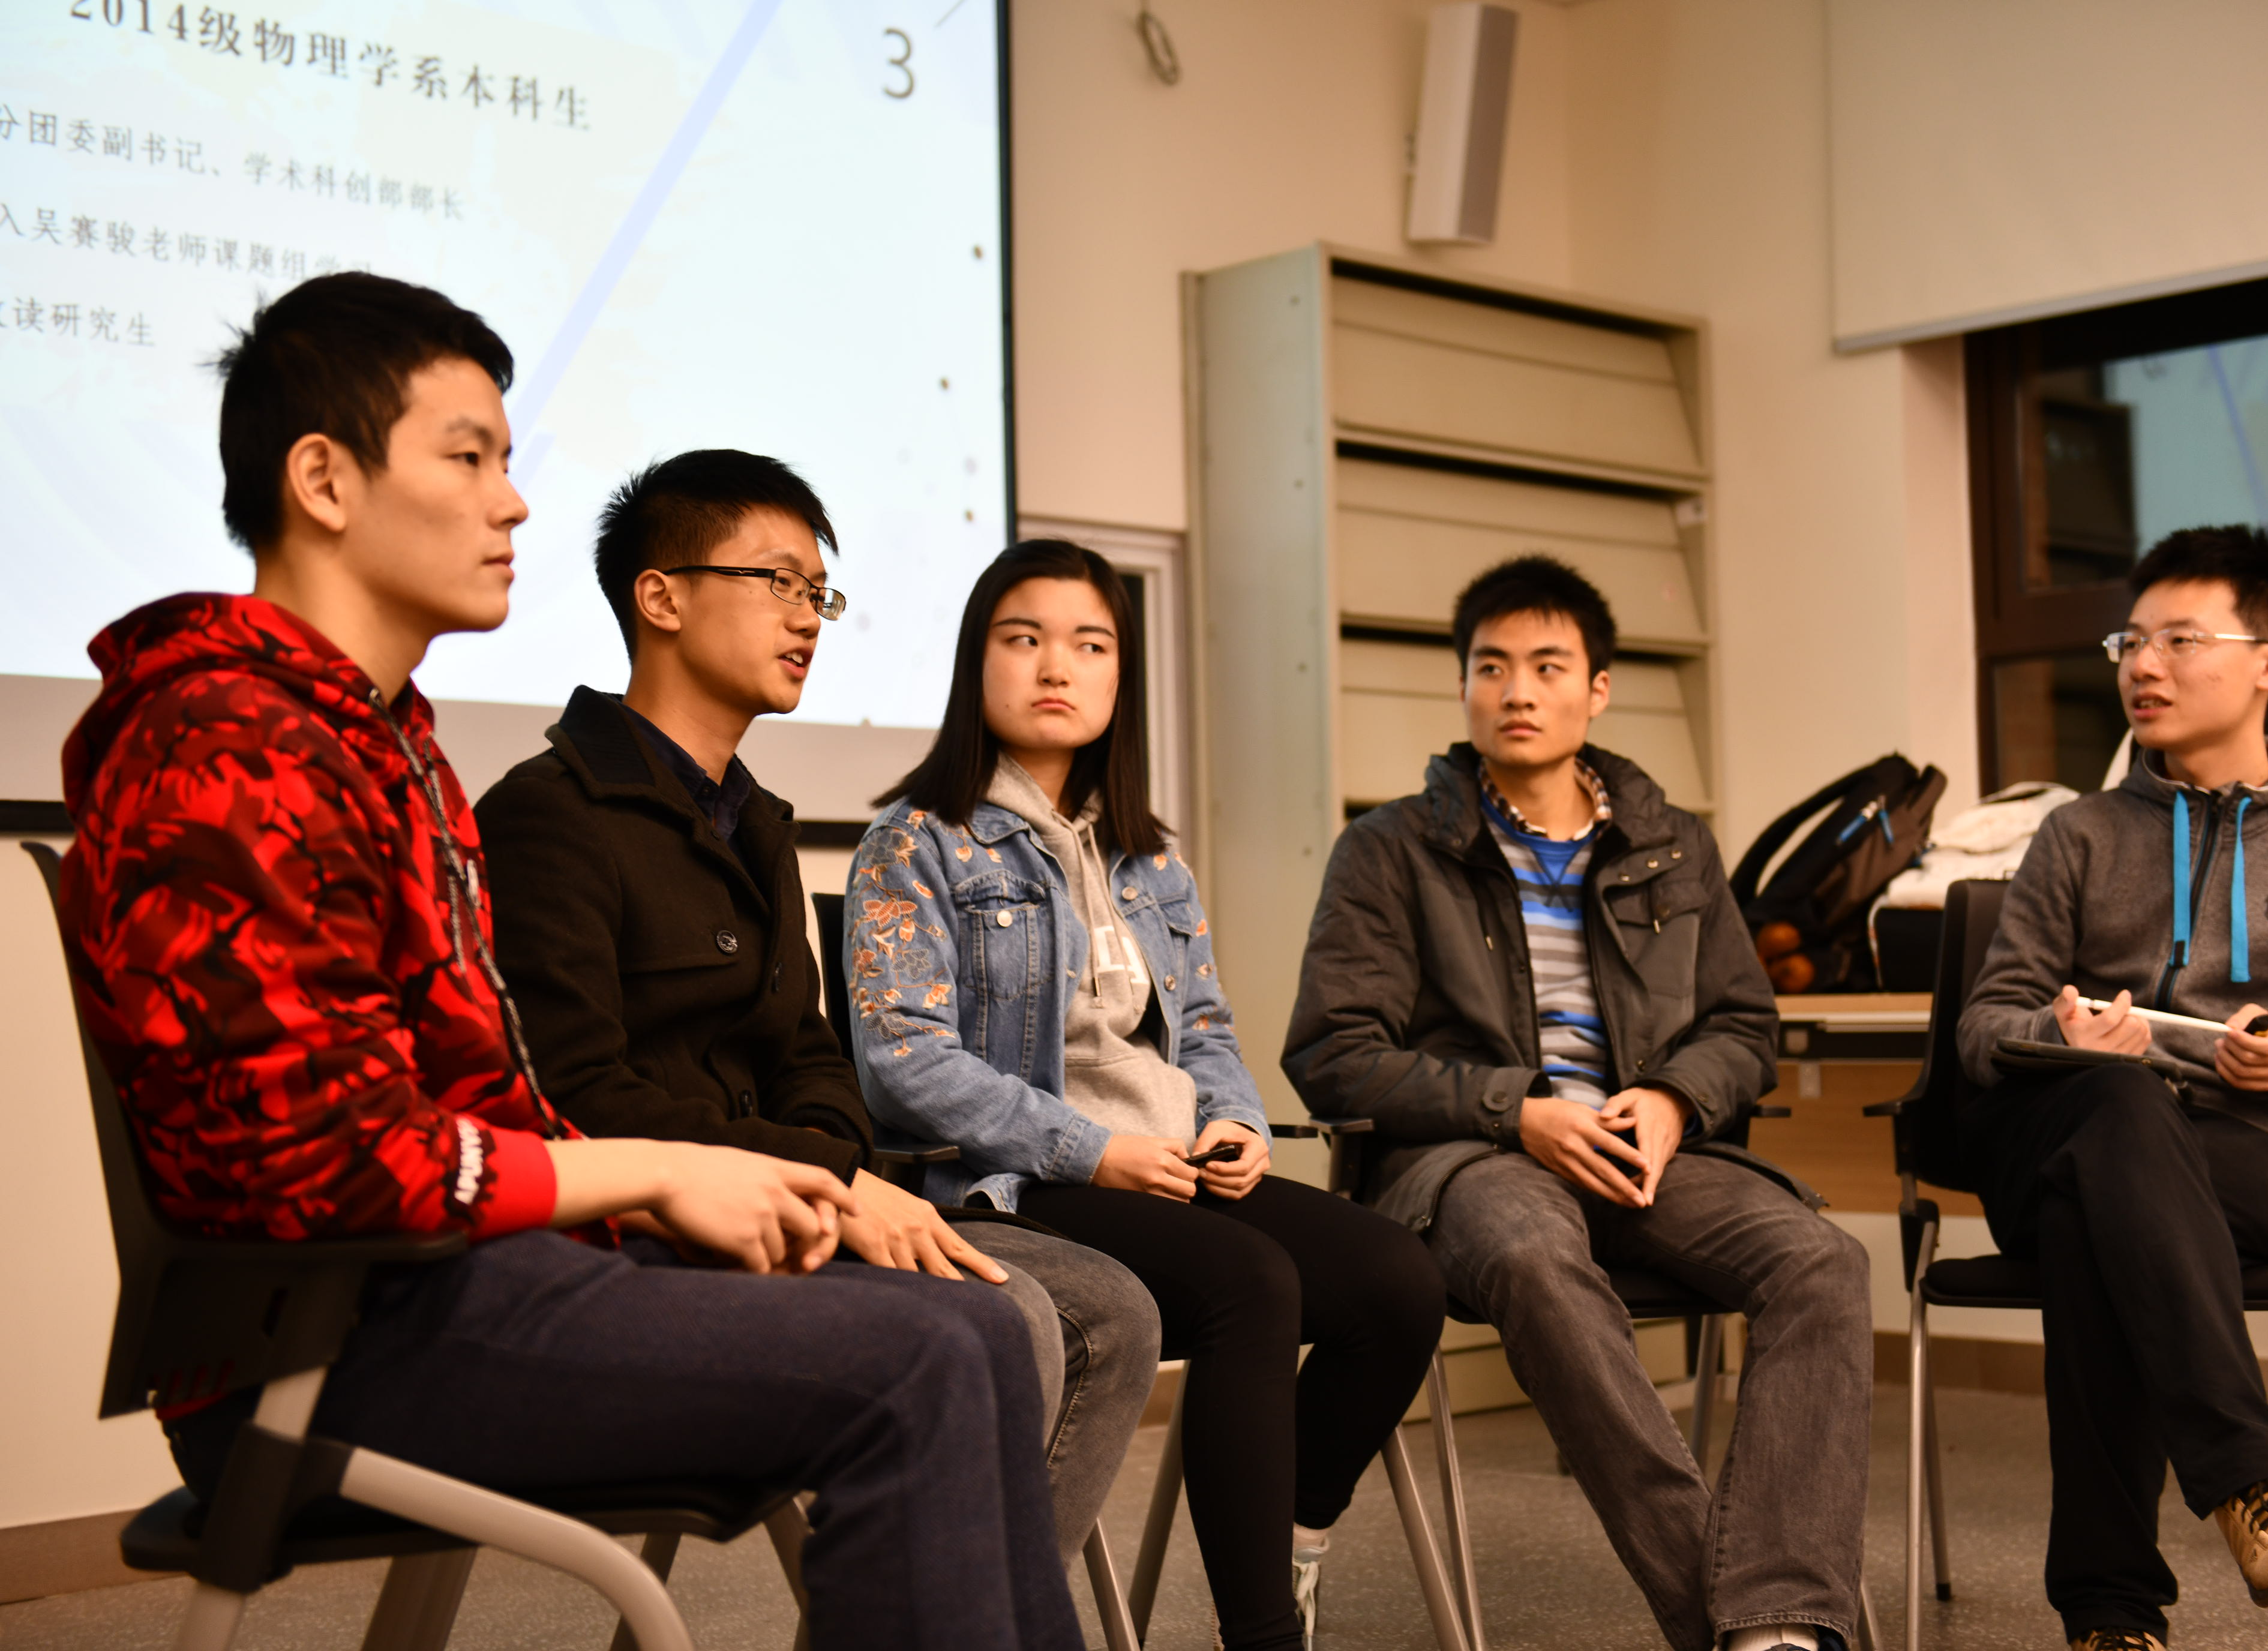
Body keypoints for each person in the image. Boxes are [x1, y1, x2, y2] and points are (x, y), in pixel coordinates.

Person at [56, 272, 1079, 1651]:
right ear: (324, 479)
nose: (515, 502)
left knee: (978, 1331)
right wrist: (656, 1172)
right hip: (335, 1336)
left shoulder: (377, 739)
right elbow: (327, 1158)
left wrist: (708, 1185)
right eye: (469, 457)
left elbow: (484, 1105)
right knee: (924, 1358)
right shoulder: (226, 741)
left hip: (460, 1280)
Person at [473, 448, 1159, 1562]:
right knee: (1010, 1317)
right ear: (661, 598)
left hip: (801, 1194)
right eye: (778, 582)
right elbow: (578, 1093)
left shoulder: (756, 820)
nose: (808, 618)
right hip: (664, 1223)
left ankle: (982, 1622)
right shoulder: (549, 815)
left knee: (1113, 1312)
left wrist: (837, 1174)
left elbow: (811, 1055)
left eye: (819, 594)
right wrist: (827, 1185)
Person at [844, 539, 1445, 1651]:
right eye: (1024, 639)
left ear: (1121, 674)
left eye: (1090, 644)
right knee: (1250, 1284)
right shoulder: (913, 842)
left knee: (1399, 1278)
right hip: (1019, 1181)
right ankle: (1263, 1636)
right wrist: (1091, 1150)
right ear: (977, 661)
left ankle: (1295, 1536)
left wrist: (1236, 1123)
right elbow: (905, 1062)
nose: (1056, 667)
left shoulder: (1149, 861)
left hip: (1168, 1166)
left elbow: (1204, 1028)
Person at [1283, 555, 1872, 1651]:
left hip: (1646, 1149)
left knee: (1825, 1263)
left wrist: (1674, 1097)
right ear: (1465, 685)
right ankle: (1741, 1628)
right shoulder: (1390, 850)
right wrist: (1519, 1109)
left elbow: (1744, 1026)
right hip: (1471, 1160)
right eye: (1491, 667)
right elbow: (1333, 1054)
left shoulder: (1674, 845)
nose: (1517, 691)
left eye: (1548, 666)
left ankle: (1779, 1617)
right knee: (1533, 1253)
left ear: (1597, 688)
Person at [1957, 524, 2268, 1651]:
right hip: (2062, 1128)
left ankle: (2112, 1614)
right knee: (2116, 1111)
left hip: (2247, 1159)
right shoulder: (2078, 836)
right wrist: (2065, 1036)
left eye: (2181, 641)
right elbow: (1984, 1030)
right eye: (2131, 642)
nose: (2144, 665)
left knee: (2098, 1217)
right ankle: (2254, 1480)